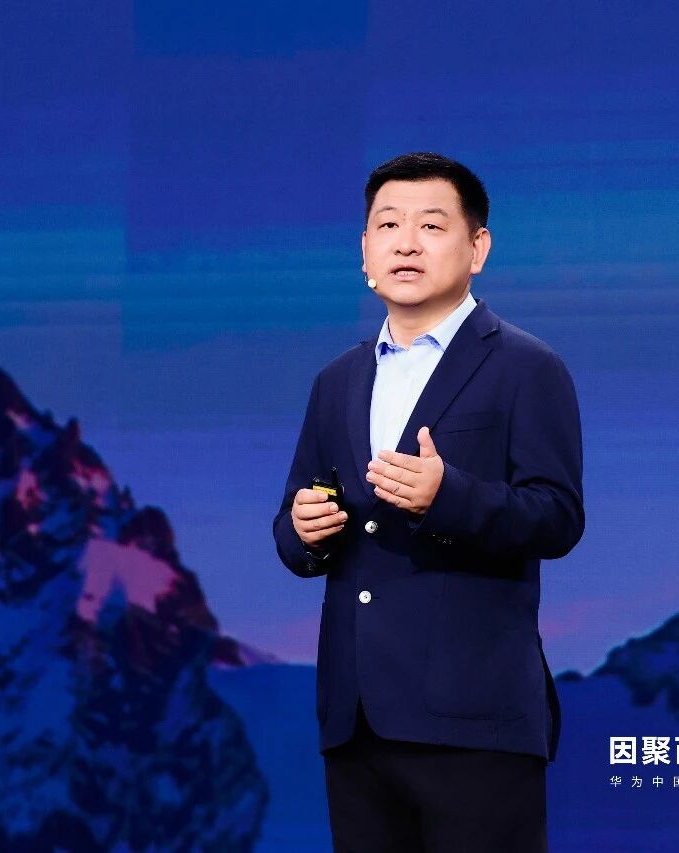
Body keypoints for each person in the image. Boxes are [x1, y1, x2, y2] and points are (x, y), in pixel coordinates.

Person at [272, 152, 585, 852]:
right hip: (356, 720)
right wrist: (304, 529)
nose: (406, 243)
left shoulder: (526, 366)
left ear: (478, 248)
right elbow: (292, 528)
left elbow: (558, 516)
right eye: (388, 225)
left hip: (474, 717)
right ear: (364, 250)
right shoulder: (336, 381)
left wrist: (449, 497)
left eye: (432, 225)